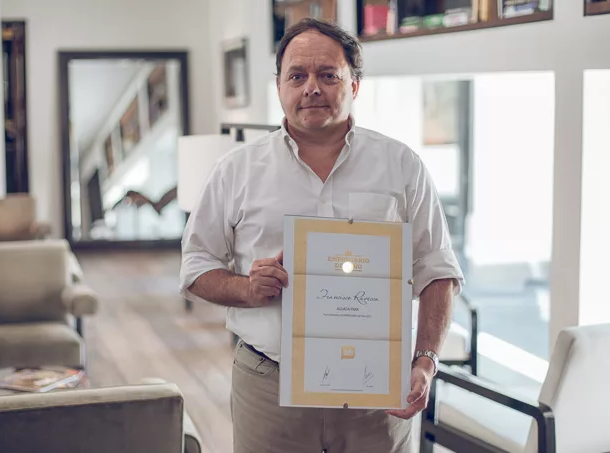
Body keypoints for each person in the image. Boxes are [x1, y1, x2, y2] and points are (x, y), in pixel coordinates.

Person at [180, 18, 464, 453]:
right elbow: (196, 265)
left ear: (355, 85)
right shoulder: (235, 170)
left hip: (378, 390)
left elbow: (437, 269)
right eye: (297, 76)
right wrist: (247, 288)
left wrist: (426, 359)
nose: (311, 87)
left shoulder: (402, 166)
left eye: (328, 75)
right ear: (279, 86)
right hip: (269, 386)